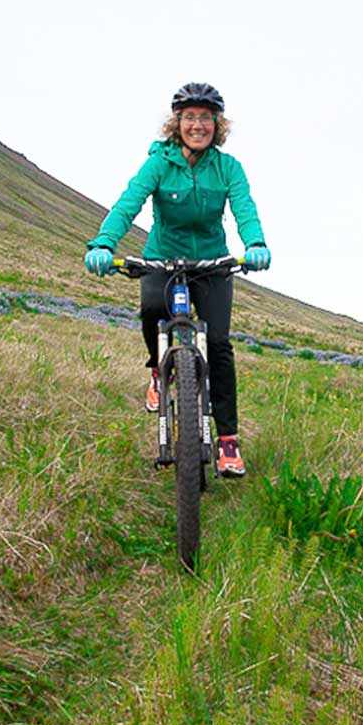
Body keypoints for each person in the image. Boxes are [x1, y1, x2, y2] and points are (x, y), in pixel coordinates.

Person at [82, 82, 271, 478]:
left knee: (218, 345)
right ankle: (158, 368)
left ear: (217, 125)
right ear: (177, 123)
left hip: (212, 263)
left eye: (205, 118)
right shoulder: (158, 164)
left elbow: (244, 208)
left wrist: (254, 242)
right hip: (162, 258)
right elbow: (128, 203)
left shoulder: (228, 168)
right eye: (190, 118)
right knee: (152, 308)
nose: (197, 125)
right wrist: (103, 243)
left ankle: (228, 443)